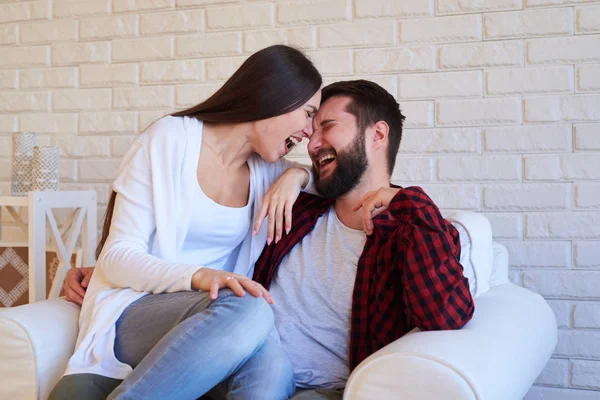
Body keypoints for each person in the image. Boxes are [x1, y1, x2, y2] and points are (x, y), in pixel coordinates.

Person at [63, 80, 475, 399]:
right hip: (229, 359)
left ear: (378, 135)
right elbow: (201, 239)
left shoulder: (409, 231)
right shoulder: (296, 210)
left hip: (317, 389)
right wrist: (295, 175)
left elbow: (447, 313)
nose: (312, 143)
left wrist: (410, 202)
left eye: (327, 127)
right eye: (310, 130)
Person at [50, 45, 322, 400]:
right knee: (251, 308)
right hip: (136, 310)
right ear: (276, 97)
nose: (309, 132)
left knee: (271, 365)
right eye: (308, 114)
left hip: (215, 322)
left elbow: (330, 181)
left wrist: (296, 176)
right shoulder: (170, 139)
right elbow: (116, 257)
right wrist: (199, 276)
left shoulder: (266, 170)